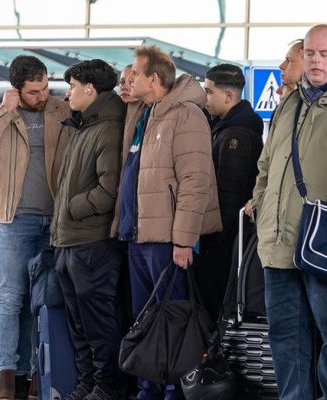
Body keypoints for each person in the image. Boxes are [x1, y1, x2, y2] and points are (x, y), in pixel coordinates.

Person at [246, 25, 327, 400]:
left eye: (323, 54)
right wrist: (261, 203)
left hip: (325, 244)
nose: (315, 61)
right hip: (278, 241)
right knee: (285, 335)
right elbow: (266, 165)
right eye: (310, 54)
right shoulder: (289, 102)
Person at [113, 45, 222, 399]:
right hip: (140, 234)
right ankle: (151, 387)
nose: (130, 77)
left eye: (136, 71)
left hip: (167, 241)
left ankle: (175, 389)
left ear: (154, 78)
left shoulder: (186, 115)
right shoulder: (148, 112)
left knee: (173, 321)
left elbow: (195, 181)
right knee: (146, 321)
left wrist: (183, 240)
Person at [0, 55, 74, 399]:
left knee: (41, 299)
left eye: (44, 87)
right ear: (16, 90)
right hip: (14, 218)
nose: (41, 95)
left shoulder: (62, 110)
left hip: (55, 218)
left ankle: (36, 374)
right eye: (33, 91)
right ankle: (6, 374)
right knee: (12, 296)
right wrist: (5, 112)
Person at [51, 60, 125, 400]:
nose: (68, 93)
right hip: (69, 241)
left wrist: (70, 208)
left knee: (97, 323)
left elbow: (109, 191)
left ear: (90, 89)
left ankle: (107, 387)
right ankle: (88, 383)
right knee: (78, 324)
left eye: (72, 86)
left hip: (91, 242)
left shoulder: (108, 128)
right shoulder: (83, 127)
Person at [195, 64, 264, 320]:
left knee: (215, 303)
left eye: (209, 92)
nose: (205, 98)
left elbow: (229, 192)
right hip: (223, 237)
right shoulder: (223, 128)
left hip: (224, 240)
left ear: (228, 96)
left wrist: (213, 238)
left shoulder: (237, 135)